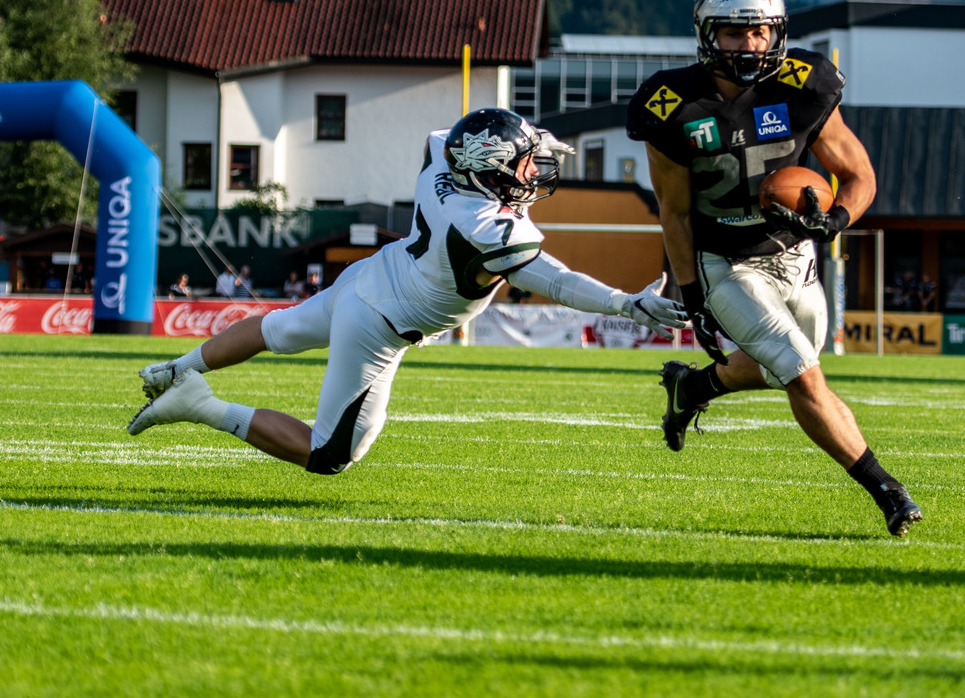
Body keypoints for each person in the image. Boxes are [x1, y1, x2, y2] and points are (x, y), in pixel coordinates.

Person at [127, 109, 683, 474]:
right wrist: (624, 303)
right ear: (492, 171)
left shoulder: (442, 168)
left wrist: (524, 136)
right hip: (379, 325)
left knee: (280, 327)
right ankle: (200, 404)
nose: (534, 171)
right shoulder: (490, 229)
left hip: (369, 277)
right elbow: (556, 281)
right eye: (525, 162)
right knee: (329, 454)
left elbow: (445, 137)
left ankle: (179, 365)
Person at [629, 0, 922, 536]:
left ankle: (692, 386)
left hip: (794, 253)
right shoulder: (669, 104)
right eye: (735, 32)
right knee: (802, 375)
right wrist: (692, 295)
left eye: (761, 30)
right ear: (707, 34)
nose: (751, 43)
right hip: (727, 260)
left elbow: (859, 173)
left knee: (778, 367)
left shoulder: (806, 84)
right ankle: (886, 489)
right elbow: (676, 211)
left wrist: (835, 219)